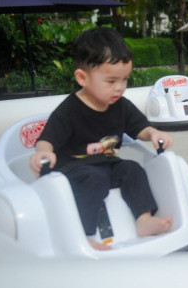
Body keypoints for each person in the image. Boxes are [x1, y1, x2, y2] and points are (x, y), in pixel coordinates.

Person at [29, 27, 173, 250]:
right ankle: (83, 234)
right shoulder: (69, 111)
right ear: (82, 78)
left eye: (125, 80)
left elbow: (140, 128)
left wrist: (153, 133)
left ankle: (143, 219)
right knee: (93, 179)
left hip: (107, 165)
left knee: (133, 169)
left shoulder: (120, 105)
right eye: (111, 81)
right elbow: (46, 139)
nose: (120, 88)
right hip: (74, 172)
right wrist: (43, 152)